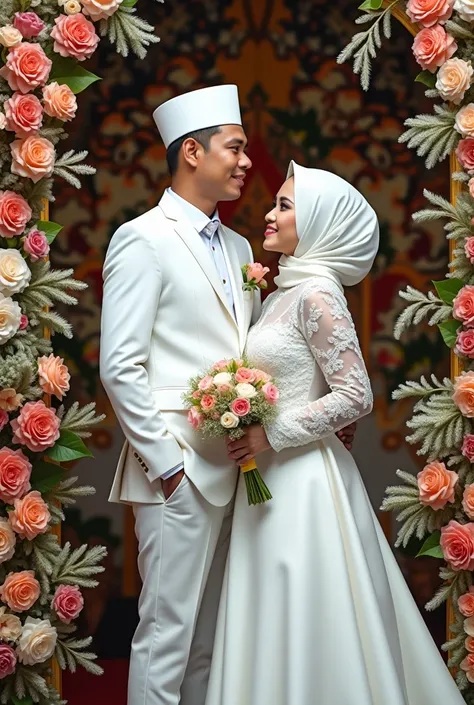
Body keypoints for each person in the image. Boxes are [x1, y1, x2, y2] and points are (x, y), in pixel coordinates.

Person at [99, 86, 356, 705]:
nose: (247, 162)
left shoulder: (243, 249)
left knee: (211, 641)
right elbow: (121, 366)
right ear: (192, 152)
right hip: (178, 469)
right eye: (235, 148)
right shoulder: (143, 238)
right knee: (166, 636)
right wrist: (167, 469)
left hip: (242, 468)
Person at [205, 162, 465, 705]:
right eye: (275, 203)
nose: (269, 215)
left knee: (309, 609)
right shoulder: (282, 293)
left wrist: (267, 434)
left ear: (319, 223)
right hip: (269, 479)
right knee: (270, 609)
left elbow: (355, 395)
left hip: (304, 484)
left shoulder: (317, 294)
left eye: (285, 206)